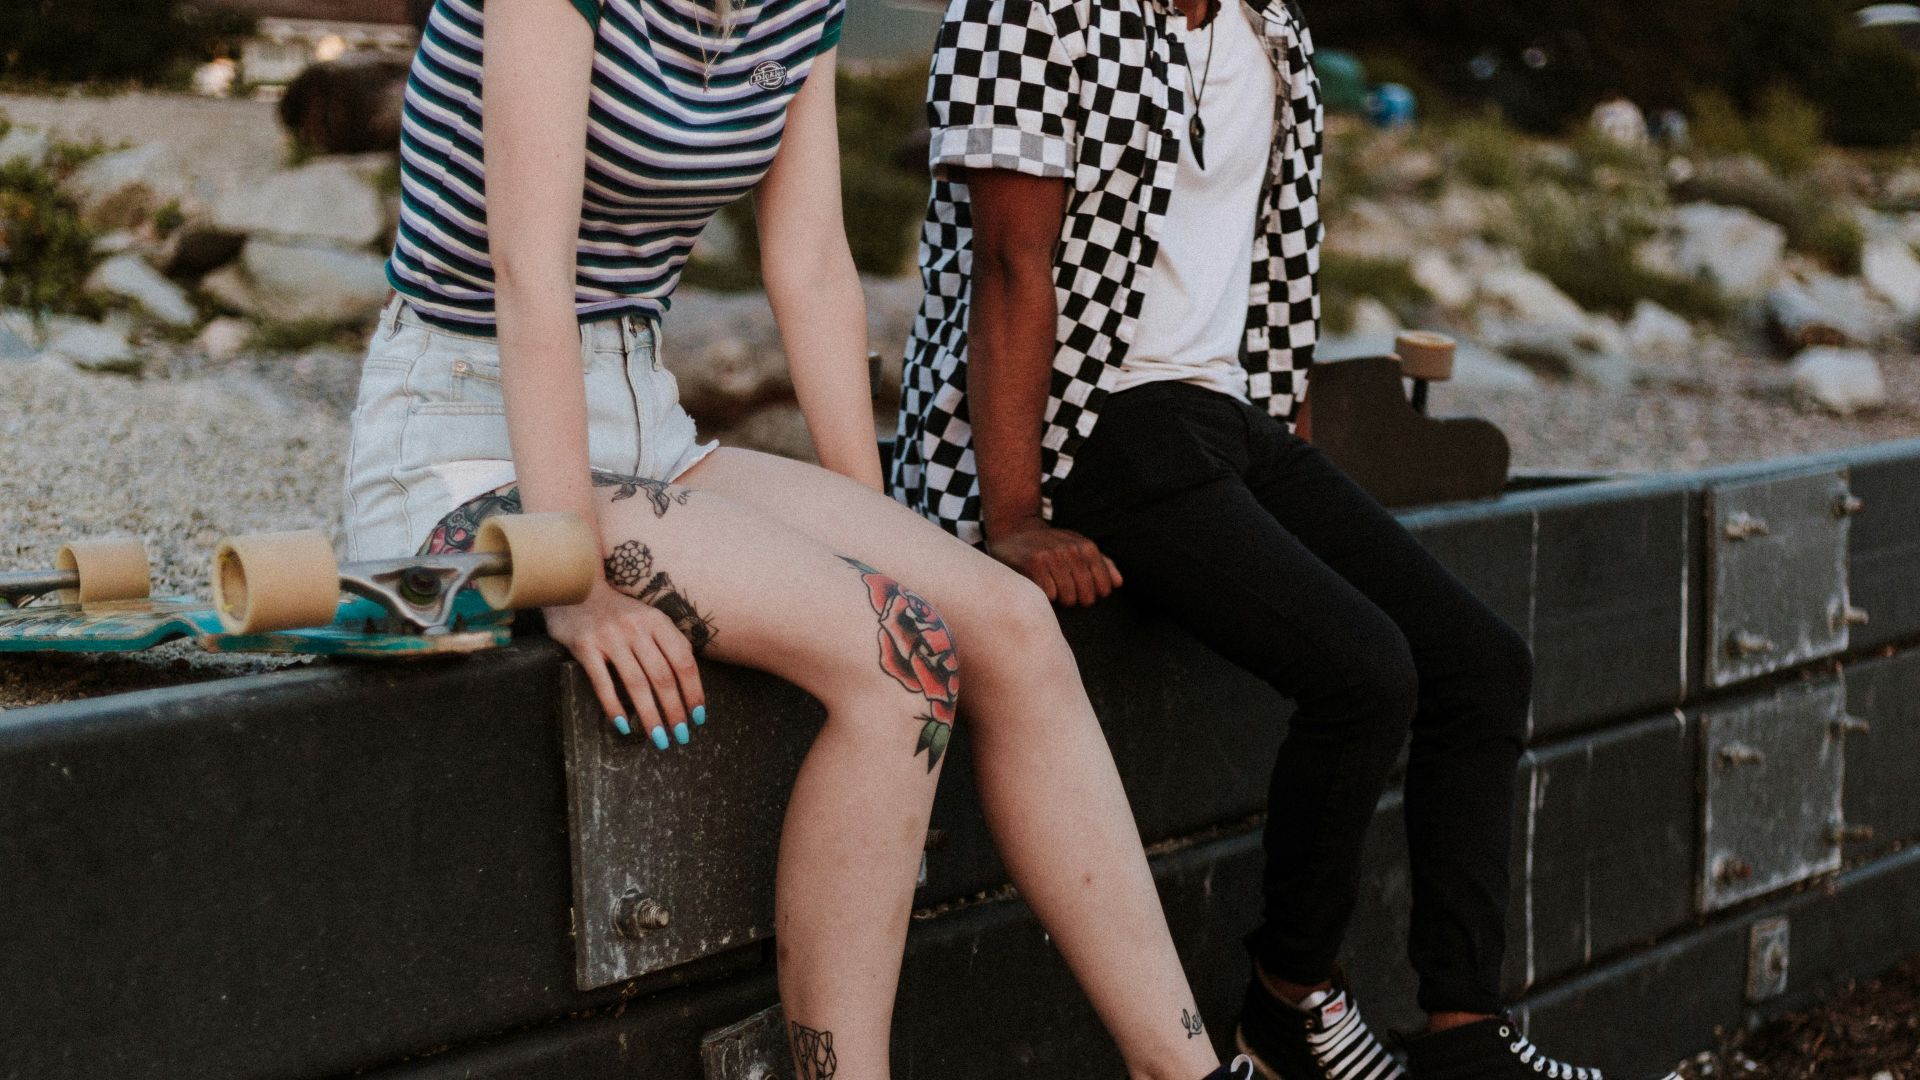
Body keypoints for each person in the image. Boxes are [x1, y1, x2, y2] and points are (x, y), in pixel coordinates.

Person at [341, 2, 1255, 1078]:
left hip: (642, 419)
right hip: (464, 439)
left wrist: (875, 528)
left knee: (1005, 622)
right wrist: (570, 571)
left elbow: (813, 262)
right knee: (899, 658)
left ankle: (1183, 1069)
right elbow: (528, 279)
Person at [890, 1, 1681, 1078]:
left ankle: (1466, 1037)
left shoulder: (1271, 30)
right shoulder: (1029, 9)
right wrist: (1016, 517)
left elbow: (1272, 259)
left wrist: (1293, 469)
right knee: (1364, 670)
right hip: (1091, 426)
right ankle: (1288, 1004)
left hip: (1226, 420)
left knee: (1480, 664)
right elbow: (1009, 263)